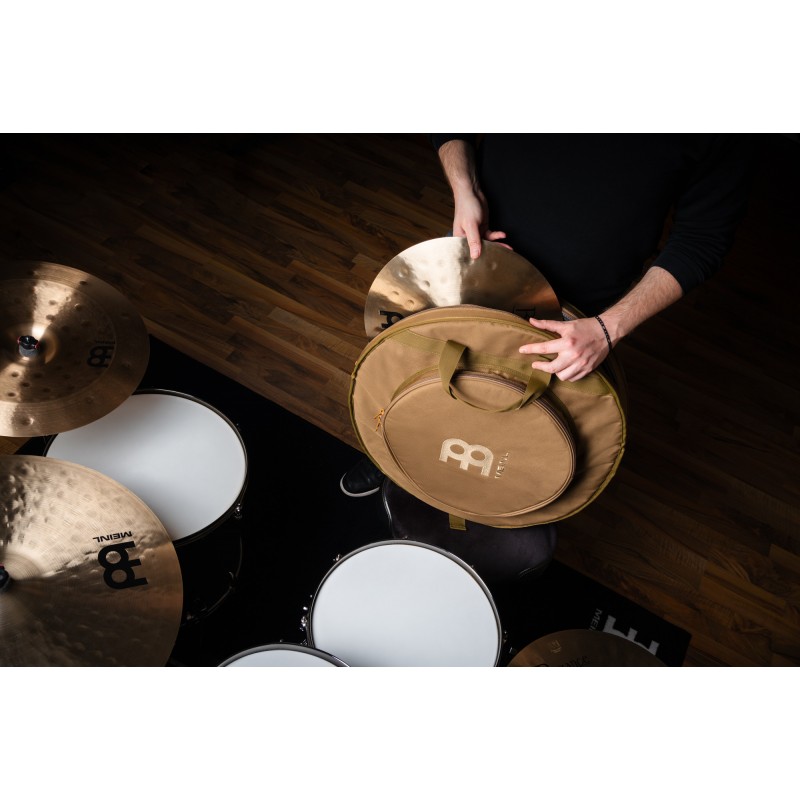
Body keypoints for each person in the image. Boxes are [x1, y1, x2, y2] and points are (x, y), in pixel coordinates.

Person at [340, 133, 756, 497]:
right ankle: (395, 456)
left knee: (514, 415)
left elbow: (703, 238)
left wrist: (607, 330)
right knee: (431, 376)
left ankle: (487, 499)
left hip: (577, 311)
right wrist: (465, 188)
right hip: (479, 260)